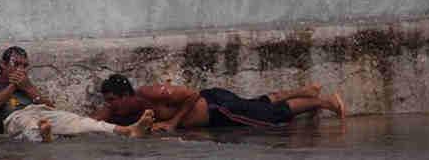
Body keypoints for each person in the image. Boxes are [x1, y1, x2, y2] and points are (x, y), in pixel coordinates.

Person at [0, 47, 154, 142]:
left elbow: (49, 106)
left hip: (41, 112)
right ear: (3, 65)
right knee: (28, 124)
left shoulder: (26, 83)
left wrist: (28, 88)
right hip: (15, 117)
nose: (21, 69)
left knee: (78, 121)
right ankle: (44, 138)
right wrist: (12, 86)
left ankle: (129, 130)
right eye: (16, 64)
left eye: (24, 65)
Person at [92, 74, 345, 132]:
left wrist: (172, 122)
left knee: (271, 116)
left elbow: (191, 94)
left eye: (113, 101)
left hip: (219, 110)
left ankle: (324, 103)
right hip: (217, 102)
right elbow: (96, 119)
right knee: (259, 103)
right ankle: (306, 90)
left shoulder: (150, 93)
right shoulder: (120, 108)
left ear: (126, 95)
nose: (111, 106)